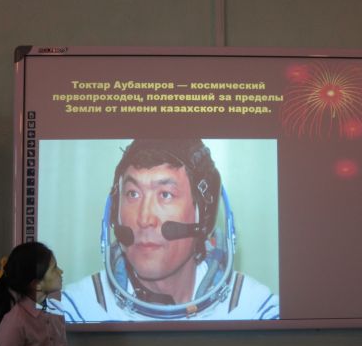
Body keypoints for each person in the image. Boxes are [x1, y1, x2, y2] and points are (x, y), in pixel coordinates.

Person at [61, 138, 279, 322]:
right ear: (115, 210)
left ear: (203, 216)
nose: (144, 219)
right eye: (133, 194)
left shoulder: (255, 311)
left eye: (165, 194)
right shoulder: (73, 312)